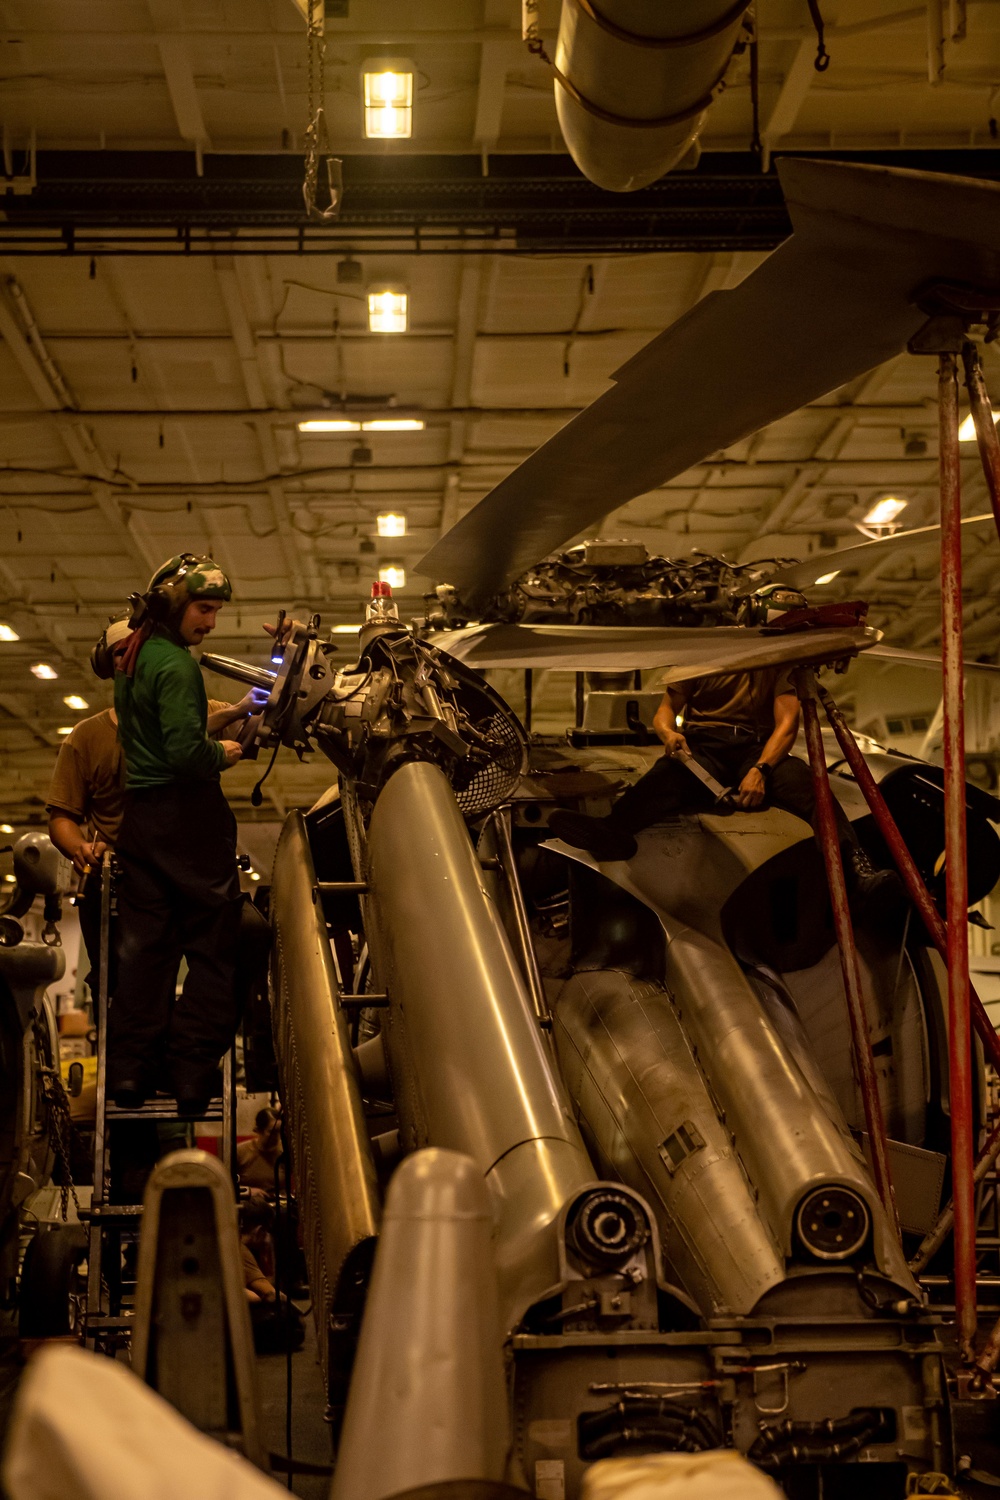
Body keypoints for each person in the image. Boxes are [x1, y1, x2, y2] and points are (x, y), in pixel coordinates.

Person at [46, 617, 265, 1006]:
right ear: (107, 665)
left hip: (194, 880)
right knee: (126, 996)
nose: (135, 660)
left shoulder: (209, 713)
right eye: (122, 652)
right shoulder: (86, 738)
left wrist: (275, 688)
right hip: (123, 883)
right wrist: (78, 847)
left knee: (230, 970)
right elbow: (63, 815)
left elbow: (265, 725)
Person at [549, 663, 898, 904]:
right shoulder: (699, 660)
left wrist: (761, 768)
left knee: (812, 789)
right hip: (704, 745)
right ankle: (613, 832)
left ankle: (856, 869)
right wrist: (669, 734)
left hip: (755, 746)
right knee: (665, 778)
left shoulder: (773, 662)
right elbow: (665, 710)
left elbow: (787, 722)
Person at [110, 554, 249, 1115]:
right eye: (205, 609)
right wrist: (229, 750)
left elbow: (153, 734)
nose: (211, 623)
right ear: (173, 604)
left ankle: (129, 1075)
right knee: (219, 947)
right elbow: (187, 754)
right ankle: (191, 1073)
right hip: (187, 818)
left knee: (146, 954)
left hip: (139, 819)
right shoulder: (178, 667)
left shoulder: (134, 655)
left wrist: (220, 721)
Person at [237, 1106, 285, 1197]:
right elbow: (226, 1184)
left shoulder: (283, 1152)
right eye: (272, 1132)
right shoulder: (240, 1152)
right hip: (250, 1205)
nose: (277, 1136)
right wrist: (249, 1191)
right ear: (258, 1130)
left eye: (279, 1132)